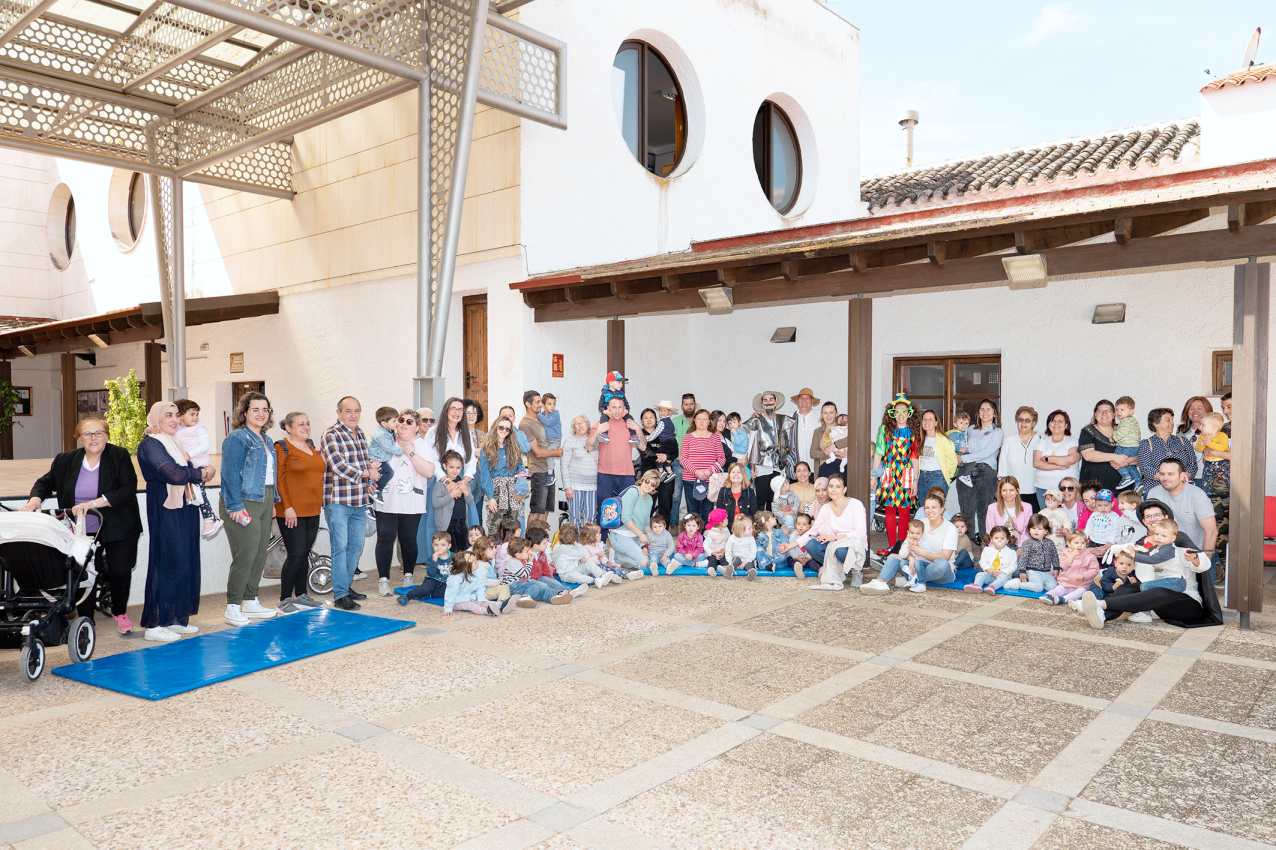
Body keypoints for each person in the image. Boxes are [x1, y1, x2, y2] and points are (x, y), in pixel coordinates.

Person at [24, 416, 144, 635]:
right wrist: (35, 500)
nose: (94, 438)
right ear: (79, 438)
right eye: (88, 433)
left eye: (99, 432)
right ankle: (86, 619)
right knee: (82, 573)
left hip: (119, 524)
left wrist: (93, 504)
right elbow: (44, 483)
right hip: (80, 528)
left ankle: (120, 612)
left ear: (107, 435)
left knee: (120, 570)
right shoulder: (65, 460)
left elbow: (127, 489)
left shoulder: (119, 456)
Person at [135, 402, 204, 642]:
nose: (174, 419)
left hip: (184, 506)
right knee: (165, 560)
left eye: (176, 415)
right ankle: (154, 624)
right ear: (154, 419)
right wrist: (201, 473)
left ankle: (175, 618)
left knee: (185, 559)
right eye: (168, 415)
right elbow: (174, 474)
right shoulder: (150, 444)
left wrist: (194, 472)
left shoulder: (174, 442)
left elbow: (182, 470)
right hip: (164, 506)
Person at [218, 392, 279, 627]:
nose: (261, 414)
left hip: (264, 499)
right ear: (244, 413)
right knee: (246, 553)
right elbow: (230, 474)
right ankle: (233, 606)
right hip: (242, 501)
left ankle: (250, 600)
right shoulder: (237, 439)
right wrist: (234, 505)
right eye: (256, 409)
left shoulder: (267, 439)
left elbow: (269, 475)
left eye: (265, 410)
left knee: (260, 552)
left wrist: (272, 501)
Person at [321, 396, 378, 611]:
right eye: (348, 411)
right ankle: (340, 594)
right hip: (338, 501)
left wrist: (369, 484)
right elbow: (338, 466)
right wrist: (366, 474)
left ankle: (346, 585)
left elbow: (364, 464)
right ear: (339, 413)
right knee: (341, 547)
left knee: (356, 546)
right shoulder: (331, 435)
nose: (353, 415)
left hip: (359, 500)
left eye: (357, 411)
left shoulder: (360, 433)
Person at [371, 409, 433, 596]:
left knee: (408, 540)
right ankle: (383, 580)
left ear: (416, 427)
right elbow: (371, 462)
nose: (404, 424)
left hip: (411, 502)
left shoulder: (422, 445)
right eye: (401, 420)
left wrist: (411, 452)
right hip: (386, 501)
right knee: (385, 538)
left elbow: (429, 472)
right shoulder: (385, 441)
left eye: (409, 422)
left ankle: (408, 575)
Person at [273, 411, 326, 613]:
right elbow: (280, 479)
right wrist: (287, 506)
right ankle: (285, 599)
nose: (305, 427)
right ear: (288, 427)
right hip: (291, 510)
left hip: (313, 508)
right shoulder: (282, 447)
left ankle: (301, 595)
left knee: (304, 553)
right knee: (295, 554)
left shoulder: (312, 447)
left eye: (307, 423)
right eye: (300, 424)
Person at [863, 493, 957, 594]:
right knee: (893, 557)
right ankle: (880, 582)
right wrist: (910, 558)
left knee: (942, 564)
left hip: (939, 571)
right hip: (916, 565)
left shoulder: (950, 528)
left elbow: (945, 557)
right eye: (927, 508)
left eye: (934, 507)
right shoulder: (921, 523)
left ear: (942, 509)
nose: (930, 511)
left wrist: (921, 552)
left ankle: (914, 579)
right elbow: (907, 546)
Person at [793, 474, 868, 591]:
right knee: (811, 545)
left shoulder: (855, 504)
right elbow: (813, 530)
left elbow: (860, 532)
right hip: (834, 543)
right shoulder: (826, 507)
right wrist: (791, 545)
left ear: (844, 489)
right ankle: (836, 568)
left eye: (837, 486)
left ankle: (856, 571)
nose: (833, 489)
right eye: (831, 486)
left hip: (852, 544)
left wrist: (836, 537)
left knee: (840, 550)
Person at [873, 393, 921, 551]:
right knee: (890, 511)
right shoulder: (885, 430)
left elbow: (915, 458)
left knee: (905, 511)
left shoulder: (914, 433)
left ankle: (902, 545)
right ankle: (892, 544)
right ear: (892, 413)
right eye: (897, 411)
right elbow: (879, 453)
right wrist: (874, 475)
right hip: (889, 471)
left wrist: (915, 481)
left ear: (909, 413)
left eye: (904, 411)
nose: (900, 415)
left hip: (906, 473)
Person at [595, 395, 646, 537]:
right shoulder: (601, 424)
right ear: (607, 409)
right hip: (605, 474)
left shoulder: (630, 425)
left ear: (624, 410)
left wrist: (638, 429)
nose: (616, 411)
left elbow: (642, 447)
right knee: (605, 509)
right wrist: (597, 432)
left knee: (626, 509)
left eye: (619, 407)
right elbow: (589, 446)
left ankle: (622, 541)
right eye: (613, 407)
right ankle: (604, 541)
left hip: (626, 475)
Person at [1145, 458, 1217, 554]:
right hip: (1165, 554)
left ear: (1182, 476)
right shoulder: (1154, 493)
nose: (1165, 478)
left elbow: (1211, 531)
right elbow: (1151, 529)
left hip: (1194, 554)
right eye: (1162, 474)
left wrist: (1204, 561)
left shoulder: (1197, 495)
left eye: (1170, 474)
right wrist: (1145, 549)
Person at [741, 390, 798, 511]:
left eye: (771, 399)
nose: (768, 402)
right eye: (765, 400)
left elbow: (788, 442)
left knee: (776, 499)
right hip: (762, 465)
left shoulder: (784, 420)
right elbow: (752, 444)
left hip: (779, 465)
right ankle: (760, 525)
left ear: (775, 402)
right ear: (762, 404)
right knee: (760, 499)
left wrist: (787, 460)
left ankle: (774, 526)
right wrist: (753, 465)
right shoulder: (756, 420)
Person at [174, 400, 222, 539]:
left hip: (199, 465)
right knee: (196, 494)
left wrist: (189, 454)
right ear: (181, 415)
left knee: (199, 493)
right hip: (187, 467)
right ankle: (210, 518)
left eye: (197, 414)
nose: (195, 417)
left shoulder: (199, 429)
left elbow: (205, 445)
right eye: (192, 414)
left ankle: (210, 518)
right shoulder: (178, 429)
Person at [955, 399, 1002, 542]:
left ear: (994, 413)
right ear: (978, 413)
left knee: (984, 510)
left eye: (988, 409)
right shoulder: (970, 429)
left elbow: (987, 452)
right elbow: (961, 444)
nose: (985, 412)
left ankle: (986, 542)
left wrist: (964, 458)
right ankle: (967, 544)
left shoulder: (997, 432)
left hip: (986, 471)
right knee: (966, 509)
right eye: (982, 409)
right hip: (966, 471)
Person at [518, 391, 563, 525]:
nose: (540, 405)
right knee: (537, 511)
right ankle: (530, 542)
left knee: (546, 510)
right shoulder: (525, 424)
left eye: (540, 402)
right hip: (539, 471)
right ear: (528, 404)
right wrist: (556, 452)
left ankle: (541, 541)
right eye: (537, 402)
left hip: (549, 470)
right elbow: (537, 452)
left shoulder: (542, 418)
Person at [478, 417, 527, 535]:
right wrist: (490, 497)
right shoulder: (486, 449)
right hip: (496, 490)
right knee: (495, 526)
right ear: (495, 427)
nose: (504, 430)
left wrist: (520, 489)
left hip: (513, 491)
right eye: (501, 427)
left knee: (513, 526)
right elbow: (485, 476)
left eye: (507, 429)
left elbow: (521, 468)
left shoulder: (514, 447)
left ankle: (510, 552)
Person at [608, 469, 660, 577]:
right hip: (620, 535)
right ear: (643, 479)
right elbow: (625, 518)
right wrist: (641, 535)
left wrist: (645, 545)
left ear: (655, 488)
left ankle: (618, 558)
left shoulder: (649, 499)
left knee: (653, 558)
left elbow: (646, 524)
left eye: (653, 485)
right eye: (647, 481)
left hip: (635, 537)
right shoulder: (633, 491)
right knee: (644, 563)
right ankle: (617, 557)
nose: (649, 486)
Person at [1136, 407, 1197, 496]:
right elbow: (1146, 468)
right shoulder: (1146, 444)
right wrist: (1170, 479)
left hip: (1183, 489)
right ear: (1156, 424)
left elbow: (1193, 463)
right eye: (1168, 420)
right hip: (1156, 490)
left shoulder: (1183, 441)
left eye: (1172, 420)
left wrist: (1186, 476)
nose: (1172, 423)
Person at [1079, 399, 1134, 494]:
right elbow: (1088, 455)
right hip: (1094, 488)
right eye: (1100, 411)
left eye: (1108, 411)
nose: (1104, 413)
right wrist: (1115, 457)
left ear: (1114, 414)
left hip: (1123, 488)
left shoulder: (1124, 430)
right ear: (1095, 414)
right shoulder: (1087, 431)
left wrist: (1127, 461)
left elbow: (1137, 453)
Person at [680, 408, 725, 521]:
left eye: (704, 419)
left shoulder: (715, 437)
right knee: (692, 511)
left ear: (709, 421)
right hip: (690, 480)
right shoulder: (687, 437)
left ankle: (705, 536)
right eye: (699, 419)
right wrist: (696, 472)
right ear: (694, 420)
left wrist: (709, 471)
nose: (701, 421)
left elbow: (721, 459)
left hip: (710, 480)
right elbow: (683, 459)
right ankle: (693, 537)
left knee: (707, 511)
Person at [431, 450, 479, 556]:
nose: (455, 470)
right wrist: (450, 495)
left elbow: (470, 501)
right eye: (451, 467)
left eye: (458, 467)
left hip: (462, 522)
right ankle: (447, 569)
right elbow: (435, 503)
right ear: (444, 466)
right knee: (448, 552)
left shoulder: (463, 482)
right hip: (447, 524)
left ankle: (460, 569)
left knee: (462, 549)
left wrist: (466, 492)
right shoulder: (440, 484)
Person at [1033, 409, 1079, 506]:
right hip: (1043, 488)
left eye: (1060, 421)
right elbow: (1036, 463)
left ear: (1066, 425)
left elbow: (1071, 459)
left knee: (1065, 518)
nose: (1056, 423)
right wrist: (1059, 466)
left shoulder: (1072, 441)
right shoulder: (1042, 441)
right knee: (1046, 518)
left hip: (1066, 489)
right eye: (1053, 421)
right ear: (1048, 424)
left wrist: (1047, 459)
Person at [639, 407, 678, 521]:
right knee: (647, 504)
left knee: (665, 504)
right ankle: (644, 530)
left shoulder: (665, 432)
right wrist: (658, 456)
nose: (648, 420)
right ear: (641, 421)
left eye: (651, 417)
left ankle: (663, 532)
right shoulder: (640, 434)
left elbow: (675, 451)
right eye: (645, 418)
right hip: (648, 473)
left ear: (656, 420)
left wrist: (667, 456)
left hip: (666, 474)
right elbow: (644, 451)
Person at [1004, 514, 1060, 593]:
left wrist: (1056, 568)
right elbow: (1023, 558)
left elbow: (1055, 556)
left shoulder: (1050, 543)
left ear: (1046, 531)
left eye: (1039, 529)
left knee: (1053, 587)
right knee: (1038, 588)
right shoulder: (1028, 543)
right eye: (1033, 528)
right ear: (1029, 529)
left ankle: (1037, 583)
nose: (1036, 531)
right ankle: (1019, 583)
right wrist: (1022, 571)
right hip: (1033, 571)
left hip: (1046, 572)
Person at [998, 406, 1040, 510]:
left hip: (1036, 492)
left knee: (1035, 525)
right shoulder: (1008, 441)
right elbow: (1002, 468)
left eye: (1027, 420)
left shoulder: (1041, 440)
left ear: (1033, 423)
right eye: (1020, 420)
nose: (1023, 423)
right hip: (1013, 493)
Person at [1041, 532, 1100, 606]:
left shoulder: (1090, 556)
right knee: (1059, 589)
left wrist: (1084, 576)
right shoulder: (1066, 554)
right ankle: (1049, 595)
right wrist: (1071, 558)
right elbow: (1062, 567)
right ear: (1069, 544)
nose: (1080, 545)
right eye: (1076, 543)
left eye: (1083, 543)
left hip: (1081, 584)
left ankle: (1063, 599)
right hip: (1067, 582)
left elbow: (1094, 570)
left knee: (1080, 592)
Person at [562, 414, 600, 527]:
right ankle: (575, 543)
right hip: (574, 486)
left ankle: (587, 544)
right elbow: (564, 465)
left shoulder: (596, 439)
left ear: (587, 424)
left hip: (593, 486)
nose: (578, 426)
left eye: (581, 423)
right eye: (575, 424)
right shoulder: (569, 440)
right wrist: (567, 487)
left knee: (591, 518)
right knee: (575, 518)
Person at [440, 551, 506, 616]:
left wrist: (481, 600)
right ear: (465, 567)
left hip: (469, 598)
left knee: (481, 602)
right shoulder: (455, 578)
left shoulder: (476, 573)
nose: (477, 563)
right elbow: (450, 594)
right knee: (471, 606)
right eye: (474, 562)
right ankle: (487, 611)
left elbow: (480, 586)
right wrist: (448, 608)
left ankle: (500, 605)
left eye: (476, 560)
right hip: (456, 602)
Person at [916, 409, 957, 502]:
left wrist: (944, 475)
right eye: (924, 419)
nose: (927, 422)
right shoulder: (919, 439)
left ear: (936, 423)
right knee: (923, 509)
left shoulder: (944, 440)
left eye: (930, 419)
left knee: (936, 508)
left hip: (937, 478)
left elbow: (953, 461)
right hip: (921, 477)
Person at [553, 523, 609, 587]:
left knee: (588, 563)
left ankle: (603, 575)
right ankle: (595, 580)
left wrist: (575, 544)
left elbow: (581, 554)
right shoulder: (560, 548)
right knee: (581, 578)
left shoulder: (572, 546)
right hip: (566, 574)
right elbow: (581, 553)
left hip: (576, 568)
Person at [669, 394, 697, 522]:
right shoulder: (675, 421)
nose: (689, 407)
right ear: (682, 406)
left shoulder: (700, 421)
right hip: (679, 463)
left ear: (695, 405)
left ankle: (693, 524)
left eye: (691, 404)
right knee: (676, 495)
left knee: (693, 496)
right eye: (686, 404)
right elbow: (669, 442)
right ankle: (674, 523)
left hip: (696, 464)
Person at [965, 525, 1016, 594]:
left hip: (1003, 575)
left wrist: (1002, 571)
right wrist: (988, 569)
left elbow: (1013, 566)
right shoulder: (987, 550)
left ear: (1007, 540)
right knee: (980, 574)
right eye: (996, 538)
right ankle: (976, 585)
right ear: (991, 539)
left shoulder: (1011, 552)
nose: (999, 540)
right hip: (990, 574)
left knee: (1003, 577)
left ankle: (992, 587)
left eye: (1002, 538)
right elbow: (982, 562)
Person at [367, 406, 402, 501]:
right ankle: (376, 492)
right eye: (394, 421)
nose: (397, 423)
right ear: (384, 423)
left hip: (380, 459)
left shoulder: (388, 431)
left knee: (382, 475)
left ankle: (373, 494)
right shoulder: (381, 435)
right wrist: (403, 450)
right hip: (375, 459)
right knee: (388, 473)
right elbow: (390, 448)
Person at [985, 476, 1031, 546]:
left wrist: (1020, 547)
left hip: (1020, 545)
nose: (1008, 493)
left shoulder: (1027, 507)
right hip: (998, 545)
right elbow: (990, 531)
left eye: (1011, 490)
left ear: (1017, 491)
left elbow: (1027, 532)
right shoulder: (992, 508)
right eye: (1004, 490)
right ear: (1000, 492)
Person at [1194, 411, 1230, 498]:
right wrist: (1201, 444)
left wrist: (1209, 443)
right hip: (1208, 464)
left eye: (1203, 425)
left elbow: (1222, 447)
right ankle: (1208, 495)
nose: (1200, 427)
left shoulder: (1222, 435)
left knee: (1221, 485)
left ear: (1214, 427)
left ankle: (1223, 497)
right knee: (1207, 482)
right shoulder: (1202, 436)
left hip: (1221, 464)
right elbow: (1198, 449)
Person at [1112, 396, 1142, 491]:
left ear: (1131, 411)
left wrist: (1114, 435)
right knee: (1131, 465)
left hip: (1127, 447)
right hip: (1133, 446)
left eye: (1122, 410)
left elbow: (1120, 434)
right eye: (1117, 410)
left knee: (1115, 458)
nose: (1118, 412)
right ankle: (1138, 483)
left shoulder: (1126, 422)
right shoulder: (1133, 421)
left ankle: (1126, 476)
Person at [713, 462, 756, 528]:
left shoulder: (750, 492)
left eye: (739, 472)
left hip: (745, 528)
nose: (735, 474)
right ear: (729, 475)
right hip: (727, 529)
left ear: (743, 475)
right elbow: (719, 513)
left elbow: (754, 514)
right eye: (733, 472)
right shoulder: (723, 491)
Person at [809, 401, 845, 479]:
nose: (828, 416)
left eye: (831, 412)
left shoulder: (843, 428)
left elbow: (849, 442)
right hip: (823, 470)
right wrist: (828, 453)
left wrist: (836, 447)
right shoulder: (817, 432)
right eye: (825, 413)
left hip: (841, 470)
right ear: (822, 415)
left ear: (836, 414)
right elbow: (812, 453)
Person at [791, 388, 822, 470]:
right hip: (796, 468)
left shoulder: (820, 417)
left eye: (807, 398)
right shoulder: (790, 419)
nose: (804, 400)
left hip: (815, 465)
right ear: (798, 401)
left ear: (812, 402)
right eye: (801, 398)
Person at [725, 514, 759, 579]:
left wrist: (745, 562)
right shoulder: (732, 538)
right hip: (736, 559)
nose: (752, 529)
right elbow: (728, 550)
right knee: (736, 560)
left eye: (751, 527)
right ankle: (730, 570)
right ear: (741, 530)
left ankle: (751, 572)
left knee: (750, 564)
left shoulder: (751, 538)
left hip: (747, 559)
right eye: (749, 528)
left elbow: (753, 552)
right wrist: (729, 561)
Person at [703, 508, 731, 577]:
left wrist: (724, 551)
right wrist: (713, 553)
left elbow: (728, 542)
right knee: (712, 560)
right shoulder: (711, 533)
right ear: (720, 522)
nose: (727, 520)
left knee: (725, 560)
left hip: (722, 552)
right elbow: (705, 545)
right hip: (713, 552)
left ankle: (725, 570)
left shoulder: (726, 530)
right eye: (726, 519)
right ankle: (711, 570)